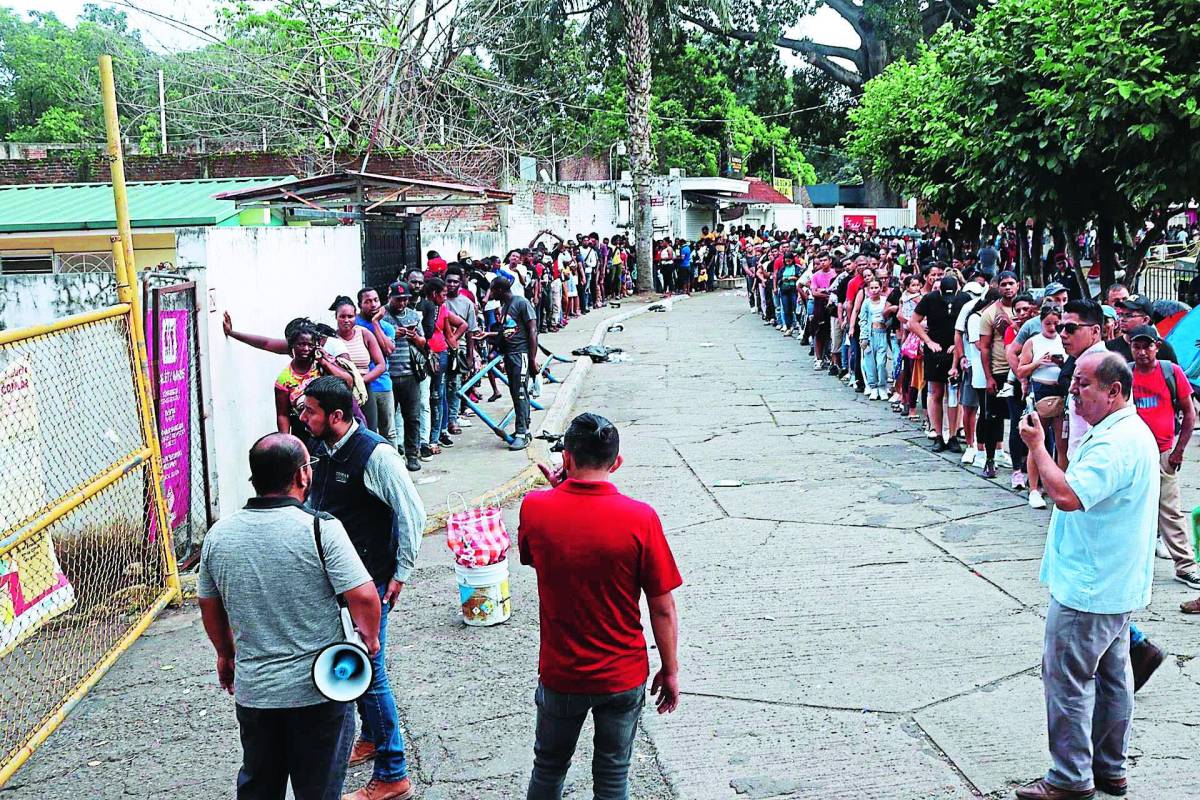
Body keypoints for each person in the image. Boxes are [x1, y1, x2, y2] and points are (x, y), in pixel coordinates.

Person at [198, 432, 381, 800]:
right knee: (318, 788)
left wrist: (225, 653)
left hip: (256, 695)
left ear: (255, 481)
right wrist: (370, 640)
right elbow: (364, 597)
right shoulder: (320, 529)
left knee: (260, 786)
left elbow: (209, 603)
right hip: (318, 692)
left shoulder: (219, 536)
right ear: (302, 476)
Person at [1015, 352, 1158, 800]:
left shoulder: (1117, 443)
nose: (1073, 391)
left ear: (1114, 390)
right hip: (1111, 582)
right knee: (1114, 676)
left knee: (1067, 679)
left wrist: (1036, 448)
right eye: (1073, 382)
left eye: (1083, 384)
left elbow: (1067, 495)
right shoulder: (1122, 432)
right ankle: (1108, 768)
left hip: (1091, 587)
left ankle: (1070, 777)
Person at [519, 413, 681, 800]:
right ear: (617, 462)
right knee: (612, 775)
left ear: (568, 458)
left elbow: (532, 558)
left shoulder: (535, 509)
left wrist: (557, 491)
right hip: (622, 674)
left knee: (549, 768)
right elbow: (662, 607)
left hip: (562, 673)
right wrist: (670, 670)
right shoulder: (641, 518)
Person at [300, 377, 426, 800]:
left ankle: (394, 773)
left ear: (336, 416)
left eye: (310, 411)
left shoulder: (376, 456)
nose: (303, 418)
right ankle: (371, 738)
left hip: (369, 584)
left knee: (367, 675)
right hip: (341, 583)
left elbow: (413, 514)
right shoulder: (324, 449)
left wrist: (401, 573)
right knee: (359, 667)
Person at [1127, 325, 1200, 589]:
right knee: (1130, 510)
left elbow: (1189, 414)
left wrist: (1178, 451)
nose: (1142, 352)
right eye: (1137, 346)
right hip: (1132, 455)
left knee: (1170, 511)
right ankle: (1129, 566)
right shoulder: (1125, 374)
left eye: (1147, 346)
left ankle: (1185, 566)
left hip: (1163, 452)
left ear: (1156, 346)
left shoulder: (1171, 371)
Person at [1016, 304, 1067, 509]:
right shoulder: (1033, 341)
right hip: (1039, 391)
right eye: (1048, 323)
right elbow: (1021, 370)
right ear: (1041, 322)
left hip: (1060, 391)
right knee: (1037, 443)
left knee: (1062, 445)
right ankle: (1034, 488)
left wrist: (1061, 364)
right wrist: (1038, 363)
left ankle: (1060, 486)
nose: (1053, 328)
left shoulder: (1064, 340)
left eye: (1056, 324)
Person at [909, 274, 964, 453]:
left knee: (954, 394)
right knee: (936, 393)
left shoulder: (964, 299)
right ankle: (938, 434)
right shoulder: (930, 299)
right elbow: (913, 322)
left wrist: (958, 347)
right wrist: (928, 341)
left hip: (955, 350)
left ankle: (954, 434)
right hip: (935, 349)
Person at [489, 275, 539, 450]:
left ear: (500, 290)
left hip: (521, 354)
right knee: (515, 393)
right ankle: (523, 428)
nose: (490, 293)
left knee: (520, 392)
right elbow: (508, 332)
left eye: (492, 289)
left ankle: (522, 432)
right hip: (510, 355)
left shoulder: (521, 303)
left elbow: (532, 331)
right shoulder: (504, 307)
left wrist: (532, 359)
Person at [381, 282, 426, 472]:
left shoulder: (414, 315)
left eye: (405, 299)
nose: (402, 303)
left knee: (412, 417)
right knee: (388, 421)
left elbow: (424, 341)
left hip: (410, 374)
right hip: (389, 375)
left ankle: (412, 455)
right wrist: (393, 335)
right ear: (390, 297)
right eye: (398, 299)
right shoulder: (381, 316)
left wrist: (414, 336)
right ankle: (391, 457)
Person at [357, 288, 397, 446]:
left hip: (382, 384)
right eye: (367, 301)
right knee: (368, 431)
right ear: (360, 304)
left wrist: (375, 323)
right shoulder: (353, 325)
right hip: (361, 387)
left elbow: (388, 350)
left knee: (389, 431)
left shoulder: (386, 327)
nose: (373, 304)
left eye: (375, 300)